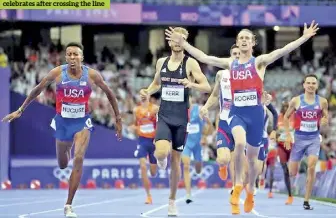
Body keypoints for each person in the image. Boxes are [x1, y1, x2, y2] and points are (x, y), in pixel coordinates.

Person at [165, 21, 319, 214]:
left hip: (255, 115)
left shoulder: (259, 62)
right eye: (241, 38)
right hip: (237, 114)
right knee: (238, 144)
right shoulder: (230, 63)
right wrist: (184, 44)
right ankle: (237, 186)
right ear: (237, 43)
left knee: (253, 162)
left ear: (253, 43)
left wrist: (304, 37)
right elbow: (204, 57)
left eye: (247, 38)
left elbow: (282, 50)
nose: (244, 41)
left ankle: (251, 190)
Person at [2, 42, 122, 218]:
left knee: (79, 158)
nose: (72, 57)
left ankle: (68, 205)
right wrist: (20, 110)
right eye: (69, 54)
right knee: (63, 163)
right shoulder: (57, 73)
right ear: (66, 57)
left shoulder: (92, 75)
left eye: (76, 54)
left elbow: (110, 94)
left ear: (82, 57)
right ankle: (67, 153)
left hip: (82, 122)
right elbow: (38, 90)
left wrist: (118, 118)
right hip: (63, 123)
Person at [140, 27, 211, 216]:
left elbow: (207, 86)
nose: (177, 41)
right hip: (164, 115)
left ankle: (172, 201)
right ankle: (161, 159)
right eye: (174, 38)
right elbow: (156, 83)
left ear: (185, 42)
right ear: (169, 41)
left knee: (176, 162)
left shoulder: (190, 64)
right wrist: (147, 91)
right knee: (161, 153)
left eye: (182, 39)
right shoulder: (161, 62)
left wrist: (192, 84)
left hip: (181, 118)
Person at [284, 74, 328, 210]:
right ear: (304, 85)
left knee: (311, 166)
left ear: (317, 85)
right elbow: (286, 117)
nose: (310, 85)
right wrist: (287, 135)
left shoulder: (322, 101)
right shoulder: (296, 101)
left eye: (313, 83)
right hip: (299, 139)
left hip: (314, 138)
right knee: (292, 172)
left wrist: (325, 120)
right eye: (308, 83)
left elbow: (326, 116)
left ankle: (306, 201)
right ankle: (296, 184)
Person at [199, 44, 240, 188]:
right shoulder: (222, 75)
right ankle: (222, 165)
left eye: (239, 53)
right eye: (234, 53)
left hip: (241, 123)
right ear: (230, 56)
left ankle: (236, 189)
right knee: (224, 159)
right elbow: (215, 95)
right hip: (224, 122)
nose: (237, 56)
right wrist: (205, 107)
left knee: (237, 161)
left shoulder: (249, 74)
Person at [182, 96, 212, 204]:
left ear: (191, 99)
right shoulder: (181, 111)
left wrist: (205, 135)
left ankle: (199, 167)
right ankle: (188, 194)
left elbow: (209, 126)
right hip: (187, 144)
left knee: (198, 169)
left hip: (197, 145)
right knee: (185, 165)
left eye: (188, 98)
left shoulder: (198, 110)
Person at [131, 93, 159, 204]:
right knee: (143, 167)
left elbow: (161, 121)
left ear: (148, 96)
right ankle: (148, 196)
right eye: (141, 94)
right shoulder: (136, 110)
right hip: (142, 141)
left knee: (153, 172)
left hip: (153, 143)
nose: (142, 96)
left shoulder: (155, 108)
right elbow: (135, 124)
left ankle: (160, 159)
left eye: (145, 94)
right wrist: (133, 128)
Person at [276, 101, 295, 204]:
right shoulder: (278, 118)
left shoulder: (294, 117)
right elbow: (275, 131)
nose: (285, 108)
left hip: (292, 145)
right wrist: (276, 135)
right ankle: (290, 195)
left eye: (287, 107)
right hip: (281, 146)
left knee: (292, 169)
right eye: (283, 107)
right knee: (285, 170)